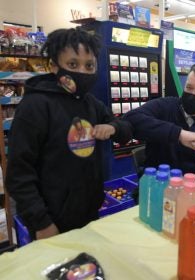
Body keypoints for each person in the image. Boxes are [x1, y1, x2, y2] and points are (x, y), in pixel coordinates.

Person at [5, 27, 133, 240]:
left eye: (89, 65)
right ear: (54, 66)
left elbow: (126, 131)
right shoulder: (35, 106)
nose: (82, 72)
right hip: (50, 222)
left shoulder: (90, 103)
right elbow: (19, 174)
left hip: (88, 213)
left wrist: (113, 128)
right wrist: (41, 223)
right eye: (73, 64)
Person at [124, 63, 195, 178]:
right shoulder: (165, 107)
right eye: (189, 88)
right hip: (160, 185)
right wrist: (178, 134)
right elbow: (130, 119)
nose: (192, 95)